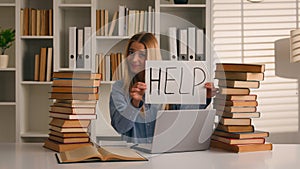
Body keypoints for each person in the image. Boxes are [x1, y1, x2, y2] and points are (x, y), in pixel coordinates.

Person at [109, 32, 217, 143]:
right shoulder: (119, 88)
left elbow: (185, 115)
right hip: (134, 155)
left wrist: (204, 97)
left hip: (166, 154)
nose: (134, 59)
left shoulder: (170, 83)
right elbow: (120, 127)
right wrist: (134, 103)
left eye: (141, 54)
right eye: (131, 52)